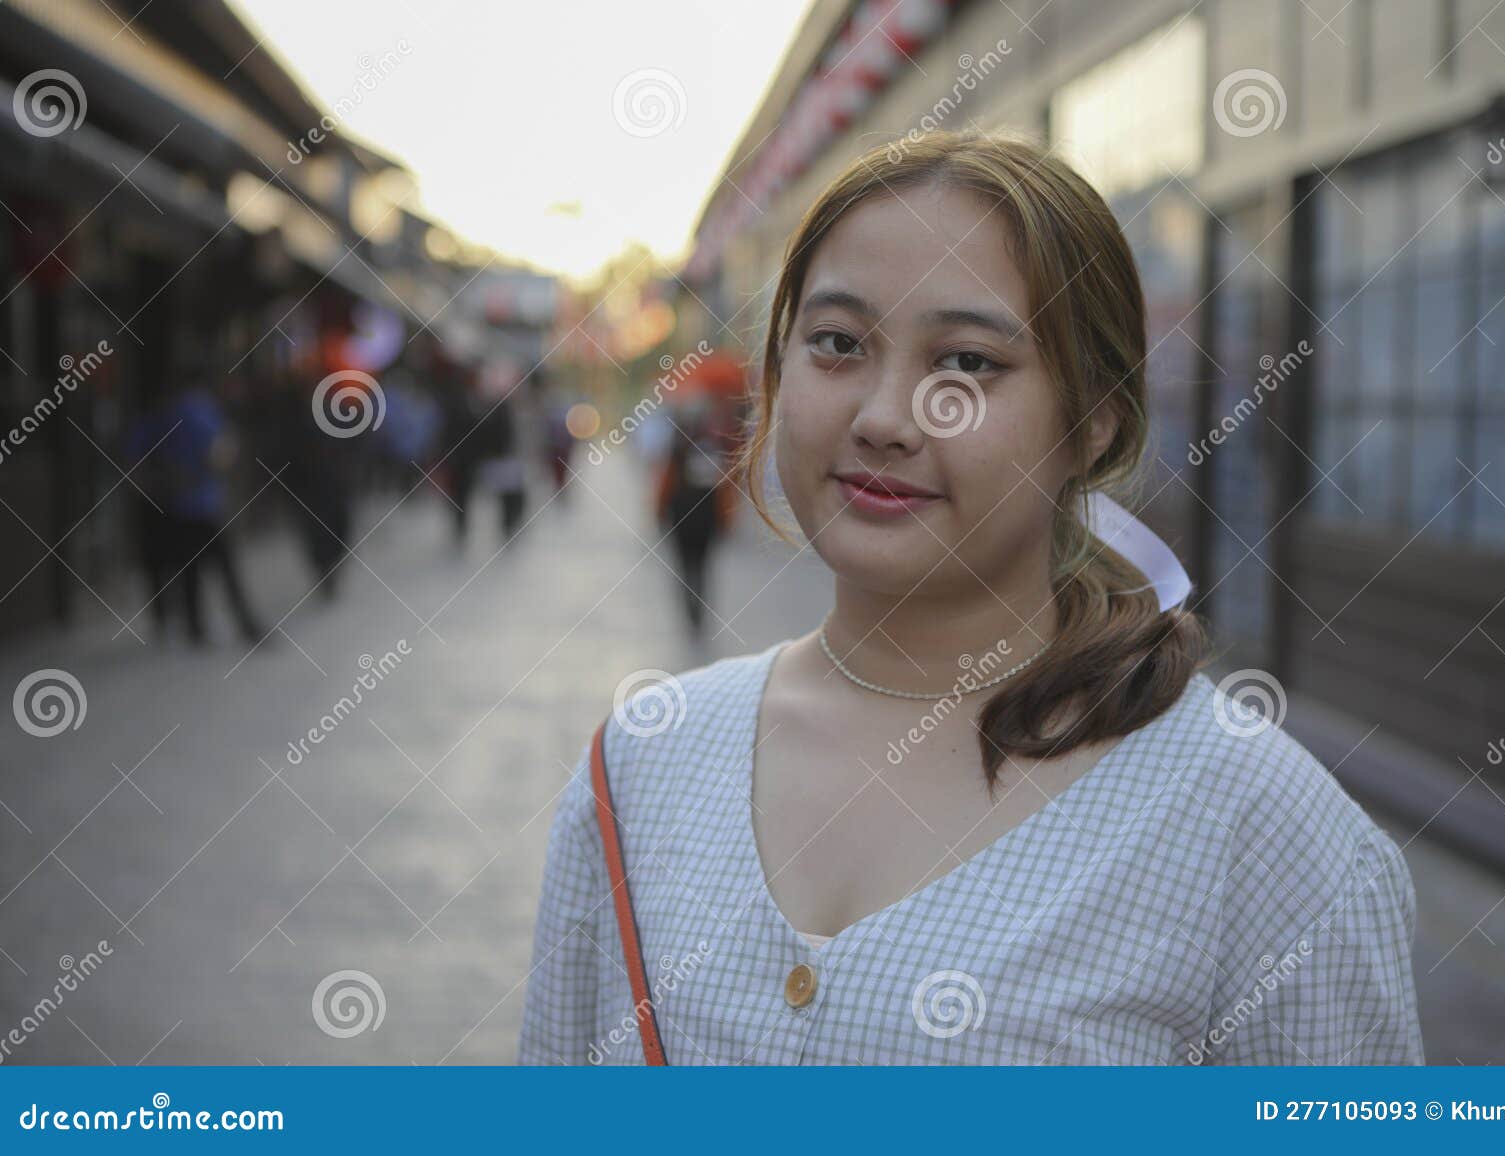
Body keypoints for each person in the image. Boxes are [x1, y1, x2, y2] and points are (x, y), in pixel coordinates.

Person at [518, 132, 1424, 1066]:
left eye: (969, 363)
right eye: (836, 345)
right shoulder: (644, 763)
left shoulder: (1264, 830)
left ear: (1094, 420)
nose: (883, 418)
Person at [127, 362, 265, 646]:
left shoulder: (156, 416)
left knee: (187, 567)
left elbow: (134, 463)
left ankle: (194, 627)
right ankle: (245, 623)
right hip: (203, 503)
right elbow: (221, 452)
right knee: (225, 567)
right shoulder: (199, 409)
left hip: (171, 506)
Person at [653, 398, 734, 637]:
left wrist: (659, 512)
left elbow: (666, 483)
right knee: (701, 566)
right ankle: (696, 607)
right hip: (704, 518)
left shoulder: (679, 446)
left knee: (687, 567)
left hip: (684, 517)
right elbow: (725, 486)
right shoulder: (714, 444)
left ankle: (692, 607)